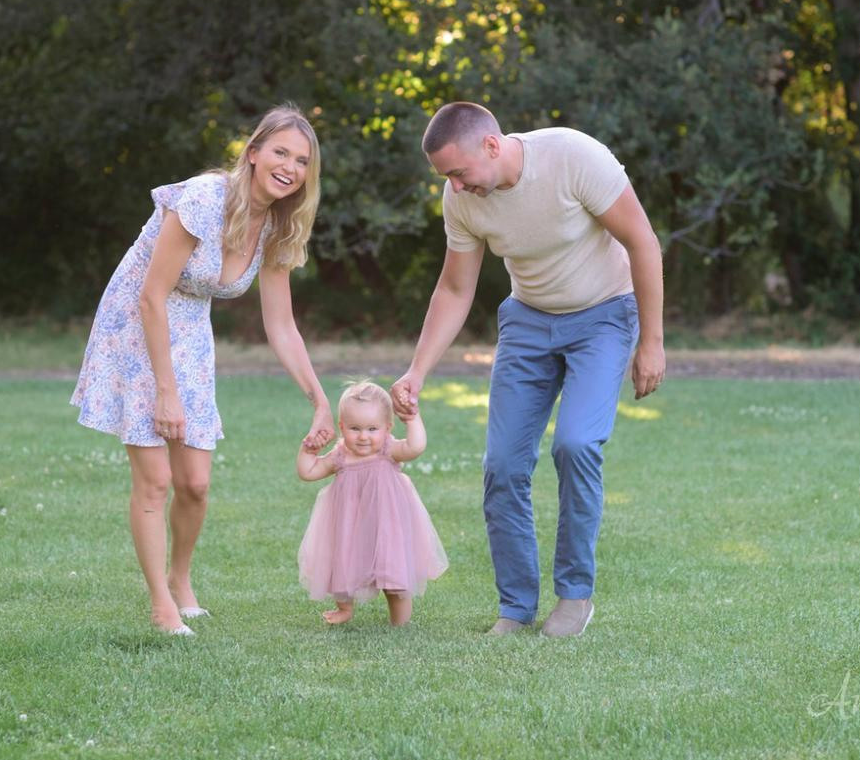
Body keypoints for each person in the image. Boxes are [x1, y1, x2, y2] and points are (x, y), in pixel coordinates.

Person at [390, 102, 666, 638]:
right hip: (528, 322)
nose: (456, 186)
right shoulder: (461, 198)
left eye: (459, 172)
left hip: (604, 316)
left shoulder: (573, 157)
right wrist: (417, 371)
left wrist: (651, 342)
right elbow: (455, 288)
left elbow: (641, 240)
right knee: (503, 465)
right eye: (447, 177)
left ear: (492, 146)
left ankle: (574, 598)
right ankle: (515, 608)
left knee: (576, 444)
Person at [72, 105, 335, 636]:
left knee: (195, 483)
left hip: (189, 332)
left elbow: (282, 325)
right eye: (280, 152)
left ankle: (180, 579)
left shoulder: (277, 227)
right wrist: (165, 392)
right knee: (156, 480)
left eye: (302, 160)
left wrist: (319, 399)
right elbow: (151, 295)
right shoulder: (204, 199)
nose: (289, 167)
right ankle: (160, 606)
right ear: (253, 153)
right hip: (137, 323)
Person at [296, 381, 448, 627]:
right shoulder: (340, 455)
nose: (363, 436)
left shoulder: (388, 450)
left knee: (394, 576)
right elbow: (308, 472)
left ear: (387, 428)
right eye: (355, 428)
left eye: (372, 429)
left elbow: (415, 447)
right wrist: (309, 451)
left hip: (386, 526)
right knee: (343, 565)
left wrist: (412, 419)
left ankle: (400, 622)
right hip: (350, 525)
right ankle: (344, 608)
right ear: (342, 426)